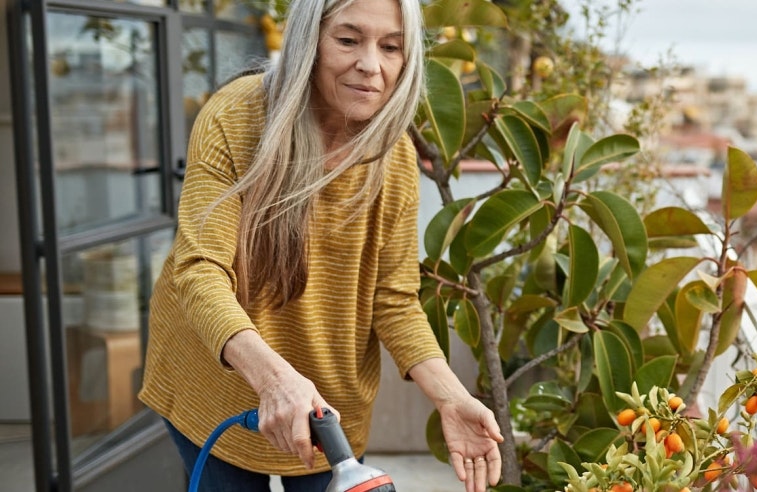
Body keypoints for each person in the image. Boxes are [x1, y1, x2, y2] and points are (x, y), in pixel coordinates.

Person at [137, 0, 503, 490]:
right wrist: (271, 380)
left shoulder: (390, 154)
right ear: (309, 39)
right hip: (216, 382)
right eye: (348, 40)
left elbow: (393, 299)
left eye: (390, 46)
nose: (370, 65)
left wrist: (451, 397)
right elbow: (199, 270)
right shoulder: (237, 116)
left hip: (330, 403)